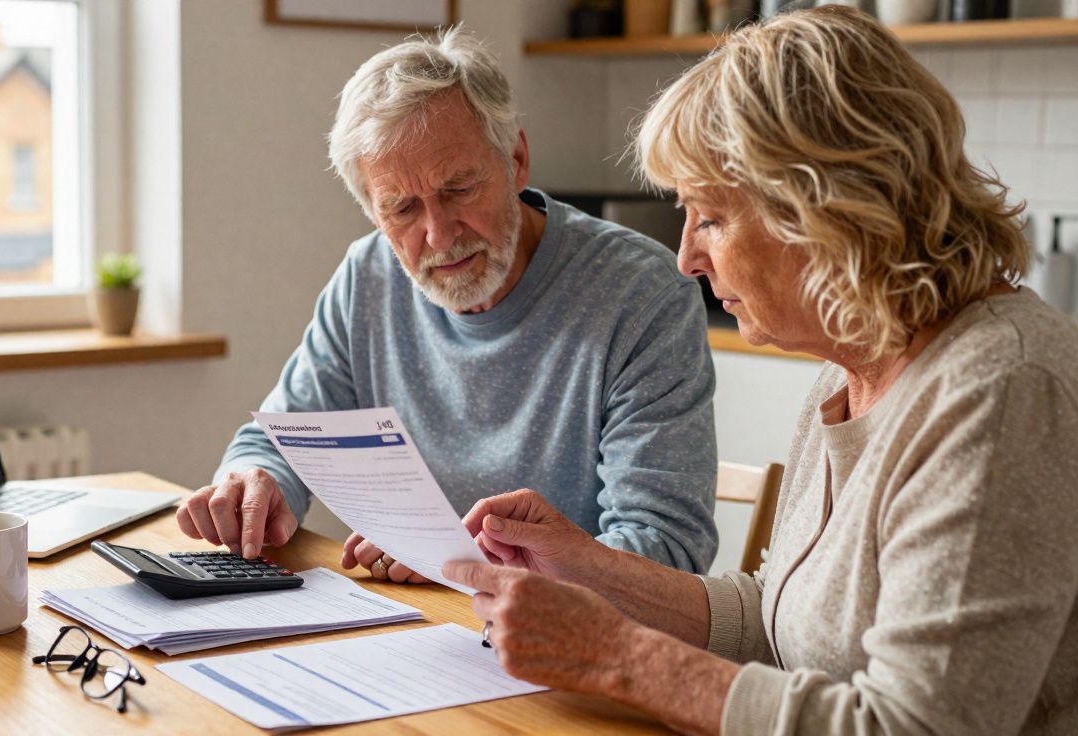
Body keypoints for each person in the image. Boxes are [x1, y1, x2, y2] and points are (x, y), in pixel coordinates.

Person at [443, 7, 1078, 735]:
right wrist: (590, 568)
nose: (685, 258)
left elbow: (913, 728)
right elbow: (781, 616)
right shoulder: (848, 375)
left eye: (708, 216)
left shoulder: (1002, 392)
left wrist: (619, 656)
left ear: (824, 213)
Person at [175, 28, 720, 578]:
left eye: (459, 190)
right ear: (373, 212)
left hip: (569, 641)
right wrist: (254, 481)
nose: (438, 235)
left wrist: (466, 561)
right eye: (403, 209)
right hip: (410, 621)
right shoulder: (368, 277)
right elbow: (282, 441)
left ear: (517, 160)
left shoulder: (641, 295)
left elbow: (667, 548)